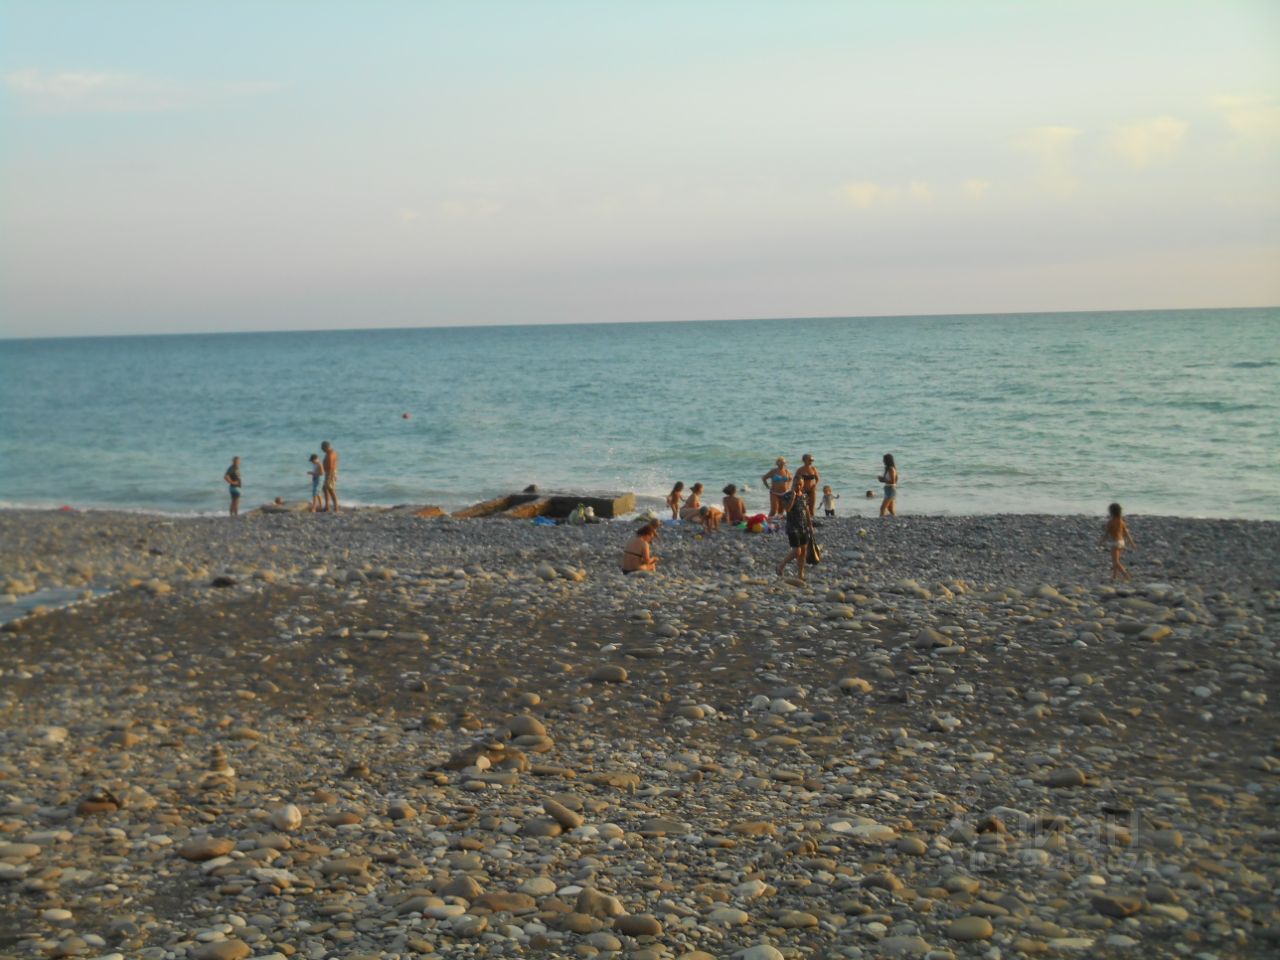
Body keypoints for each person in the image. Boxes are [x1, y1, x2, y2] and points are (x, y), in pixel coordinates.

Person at [776, 486, 813, 580]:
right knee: (797, 551)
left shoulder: (804, 496)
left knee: (803, 551)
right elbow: (787, 509)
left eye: (800, 484)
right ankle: (781, 565)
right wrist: (793, 497)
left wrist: (810, 525)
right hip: (792, 527)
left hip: (803, 526)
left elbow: (807, 511)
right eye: (797, 484)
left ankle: (800, 574)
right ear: (793, 484)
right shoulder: (787, 495)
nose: (798, 486)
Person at [1100, 503, 1136, 582]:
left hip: (1115, 542)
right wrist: (1132, 543)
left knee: (1115, 561)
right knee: (1117, 560)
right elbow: (1126, 533)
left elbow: (1106, 533)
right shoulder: (1121, 521)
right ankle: (1114, 576)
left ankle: (1126, 575)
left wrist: (1101, 541)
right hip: (1122, 542)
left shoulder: (1110, 522)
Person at [320, 440, 339, 513]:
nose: (322, 449)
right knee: (325, 489)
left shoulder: (330, 454)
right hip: (329, 473)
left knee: (331, 490)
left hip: (330, 473)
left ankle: (336, 507)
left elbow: (331, 467)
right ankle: (327, 506)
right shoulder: (329, 453)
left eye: (322, 448)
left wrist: (329, 477)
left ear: (326, 447)